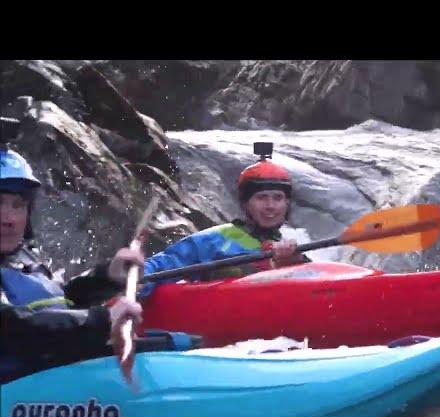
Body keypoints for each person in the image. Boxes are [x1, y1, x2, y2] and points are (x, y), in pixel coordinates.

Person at [0, 145, 145, 384]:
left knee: (176, 341)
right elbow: (14, 327)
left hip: (42, 382)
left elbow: (54, 302)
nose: (8, 219)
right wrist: (103, 320)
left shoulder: (23, 257)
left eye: (18, 205)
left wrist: (106, 277)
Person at [140, 142, 309, 297]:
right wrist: (131, 282)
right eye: (261, 198)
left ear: (287, 204)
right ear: (245, 204)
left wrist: (292, 263)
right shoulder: (215, 240)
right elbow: (158, 267)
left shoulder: (290, 251)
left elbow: (312, 284)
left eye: (278, 198)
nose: (271, 206)